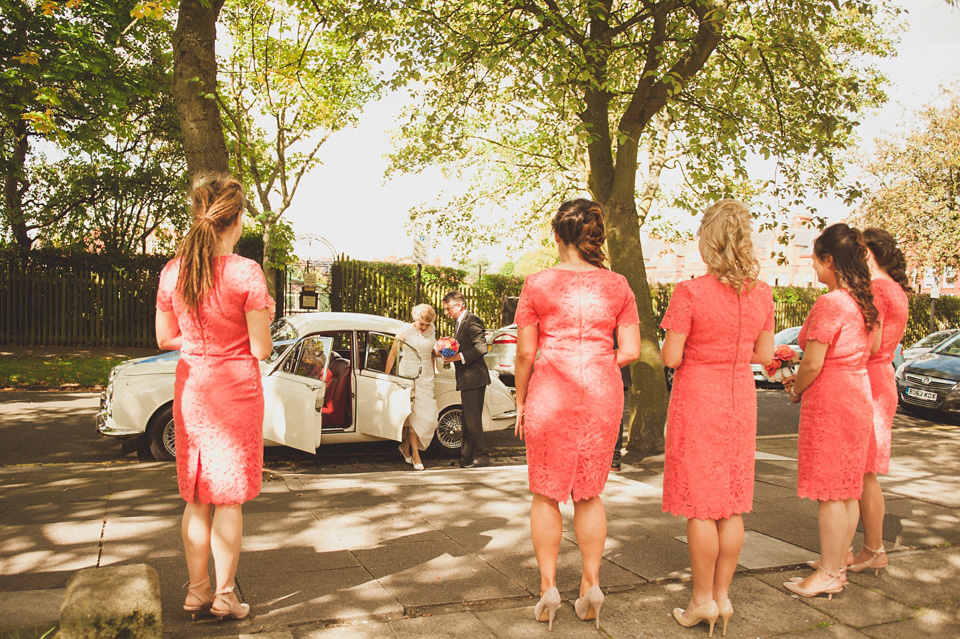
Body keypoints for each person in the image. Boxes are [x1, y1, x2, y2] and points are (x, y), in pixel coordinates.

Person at [513, 199, 641, 631]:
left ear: (557, 237)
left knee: (546, 492)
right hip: (602, 392)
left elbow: (527, 351)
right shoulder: (620, 285)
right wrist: (598, 364)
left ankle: (549, 586)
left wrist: (520, 401)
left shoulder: (537, 283)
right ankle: (591, 584)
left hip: (551, 390)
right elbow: (632, 351)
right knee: (590, 491)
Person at [155, 175, 274, 621]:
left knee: (197, 494)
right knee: (228, 496)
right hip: (236, 390)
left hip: (192, 388)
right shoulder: (246, 272)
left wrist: (199, 339)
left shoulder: (173, 271)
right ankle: (226, 594)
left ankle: (196, 591)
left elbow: (165, 337)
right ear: (236, 220)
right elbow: (261, 348)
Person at [659, 199, 774, 638]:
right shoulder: (762, 292)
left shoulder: (690, 292)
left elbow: (671, 355)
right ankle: (723, 598)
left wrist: (703, 352)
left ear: (706, 241)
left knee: (701, 505)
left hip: (699, 397)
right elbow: (764, 356)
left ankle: (700, 600)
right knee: (732, 500)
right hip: (740, 396)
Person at [782, 223, 880, 599]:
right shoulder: (863, 300)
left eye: (815, 261)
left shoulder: (832, 302)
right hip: (858, 392)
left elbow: (812, 363)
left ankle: (827, 572)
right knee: (848, 489)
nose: (813, 268)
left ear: (829, 260)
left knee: (829, 491)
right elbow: (870, 350)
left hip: (832, 399)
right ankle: (837, 566)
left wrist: (796, 391)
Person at [850, 228, 910, 575]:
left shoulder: (875, 290)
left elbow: (869, 345)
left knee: (859, 472)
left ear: (868, 252)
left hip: (868, 379)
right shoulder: (897, 290)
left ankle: (871, 549)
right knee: (864, 471)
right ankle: (863, 548)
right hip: (884, 377)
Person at [438, 291, 491, 468]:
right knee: (468, 419)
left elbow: (482, 348)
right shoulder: (459, 323)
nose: (447, 313)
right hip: (467, 378)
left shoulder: (472, 320)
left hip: (475, 377)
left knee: (472, 420)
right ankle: (466, 457)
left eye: (448, 308)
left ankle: (481, 456)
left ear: (459, 305)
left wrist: (458, 357)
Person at [386, 304, 440, 470]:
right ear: (415, 319)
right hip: (408, 375)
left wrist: (441, 352)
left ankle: (405, 447)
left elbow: (432, 352)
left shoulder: (432, 329)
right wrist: (386, 377)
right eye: (421, 324)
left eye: (427, 324)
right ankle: (415, 454)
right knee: (414, 416)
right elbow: (393, 353)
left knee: (429, 416)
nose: (424, 328)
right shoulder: (405, 331)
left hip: (426, 376)